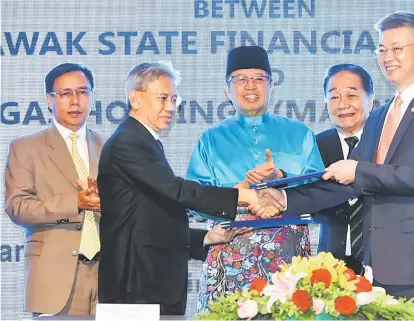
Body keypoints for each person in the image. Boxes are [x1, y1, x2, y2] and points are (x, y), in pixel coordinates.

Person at [256, 12, 414, 311]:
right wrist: (282, 197)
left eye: (397, 49)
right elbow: (343, 183)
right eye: (382, 50)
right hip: (374, 277)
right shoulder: (380, 116)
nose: (387, 58)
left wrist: (357, 169)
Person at [97, 60, 281, 315]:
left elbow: (154, 217)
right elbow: (177, 191)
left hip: (152, 281)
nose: (170, 107)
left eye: (174, 99)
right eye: (163, 98)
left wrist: (205, 237)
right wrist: (243, 196)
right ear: (135, 99)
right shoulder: (129, 141)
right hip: (135, 284)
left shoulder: (144, 140)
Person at [186, 46, 325, 312]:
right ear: (228, 89)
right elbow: (193, 201)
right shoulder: (211, 139)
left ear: (271, 85)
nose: (251, 85)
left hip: (288, 266)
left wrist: (281, 179)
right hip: (228, 258)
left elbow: (319, 190)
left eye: (259, 78)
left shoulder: (300, 134)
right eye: (241, 79)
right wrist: (240, 191)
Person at [5, 63, 104, 316]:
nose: (75, 101)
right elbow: (18, 207)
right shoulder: (26, 148)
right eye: (65, 93)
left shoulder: (109, 147)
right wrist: (76, 202)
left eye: (83, 92)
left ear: (92, 96)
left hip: (107, 277)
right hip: (56, 278)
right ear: (49, 100)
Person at [315, 64, 373, 271]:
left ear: (370, 99)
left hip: (384, 261)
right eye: (334, 97)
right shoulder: (315, 146)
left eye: (351, 95)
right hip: (331, 264)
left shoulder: (385, 143)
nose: (342, 104)